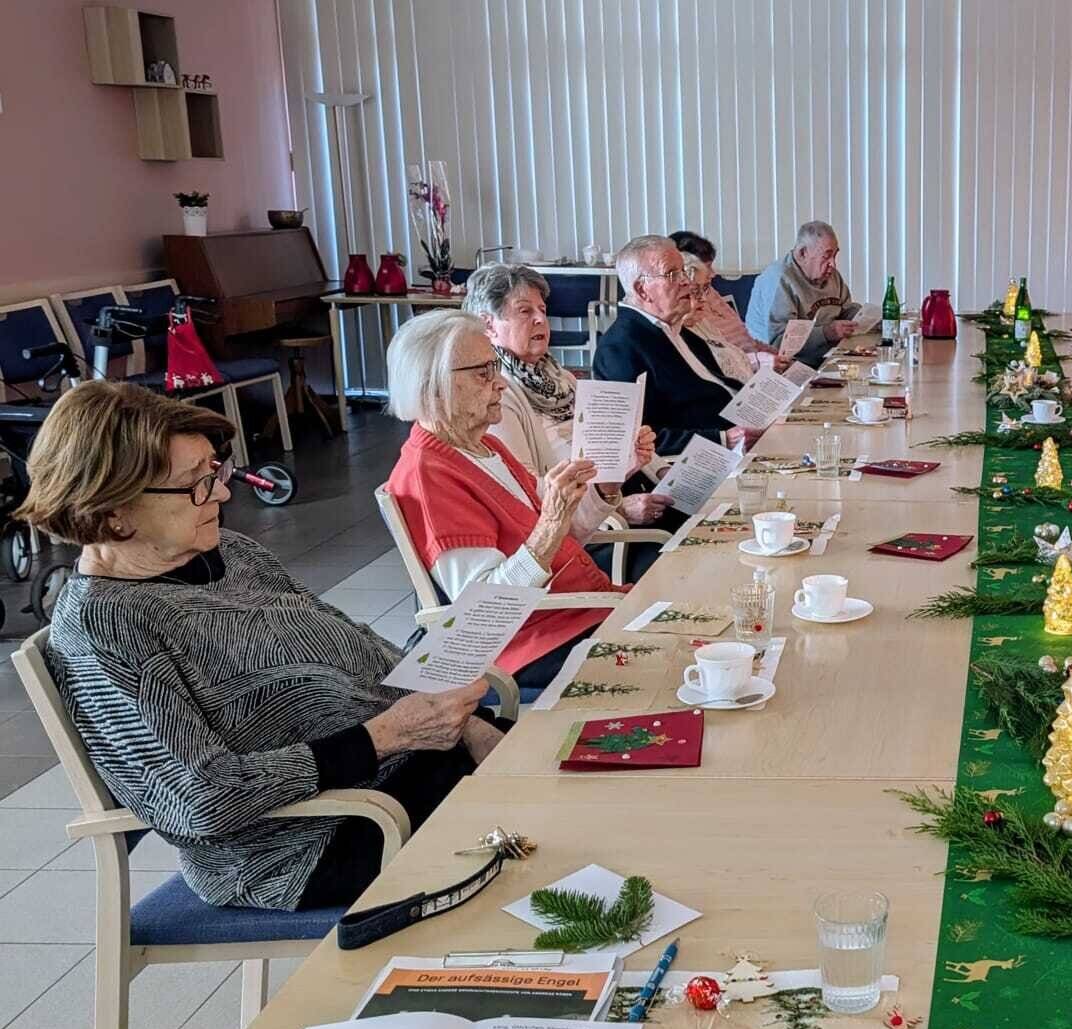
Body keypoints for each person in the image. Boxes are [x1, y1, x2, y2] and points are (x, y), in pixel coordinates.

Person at [17, 382, 498, 910]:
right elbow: (199, 799)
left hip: (399, 772)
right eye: (195, 486)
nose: (222, 494)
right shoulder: (104, 626)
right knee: (548, 825)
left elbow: (354, 645)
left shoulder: (233, 553)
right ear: (112, 513)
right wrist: (385, 735)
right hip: (306, 842)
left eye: (215, 473)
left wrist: (466, 725)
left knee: (565, 768)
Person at [385, 310, 630, 692]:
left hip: (577, 610)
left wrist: (605, 488)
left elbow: (563, 541)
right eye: (483, 372)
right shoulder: (428, 473)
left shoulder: (487, 447)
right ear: (432, 387)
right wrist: (550, 524)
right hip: (534, 642)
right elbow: (485, 610)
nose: (500, 383)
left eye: (495, 367)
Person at [463, 263, 673, 545]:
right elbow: (529, 495)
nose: (540, 319)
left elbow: (609, 450)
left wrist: (646, 461)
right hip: (585, 531)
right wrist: (619, 506)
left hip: (618, 494)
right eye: (525, 311)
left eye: (543, 310)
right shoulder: (497, 393)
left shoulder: (559, 377)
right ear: (488, 325)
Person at [593, 235, 748, 455]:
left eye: (683, 271)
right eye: (672, 274)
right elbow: (636, 439)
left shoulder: (676, 328)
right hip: (703, 459)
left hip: (740, 436)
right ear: (642, 289)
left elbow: (716, 385)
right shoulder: (620, 348)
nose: (686, 281)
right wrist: (723, 439)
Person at [746, 220, 860, 366]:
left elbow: (845, 310)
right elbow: (779, 343)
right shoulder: (779, 279)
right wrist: (826, 333)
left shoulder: (831, 274)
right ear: (802, 253)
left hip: (827, 358)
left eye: (835, 255)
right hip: (788, 365)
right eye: (826, 256)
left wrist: (866, 317)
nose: (833, 264)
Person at [669, 229, 778, 362]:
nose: (713, 273)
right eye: (708, 266)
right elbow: (718, 358)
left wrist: (770, 353)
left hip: (755, 361)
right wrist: (760, 360)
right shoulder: (688, 311)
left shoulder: (709, 293)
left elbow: (744, 337)